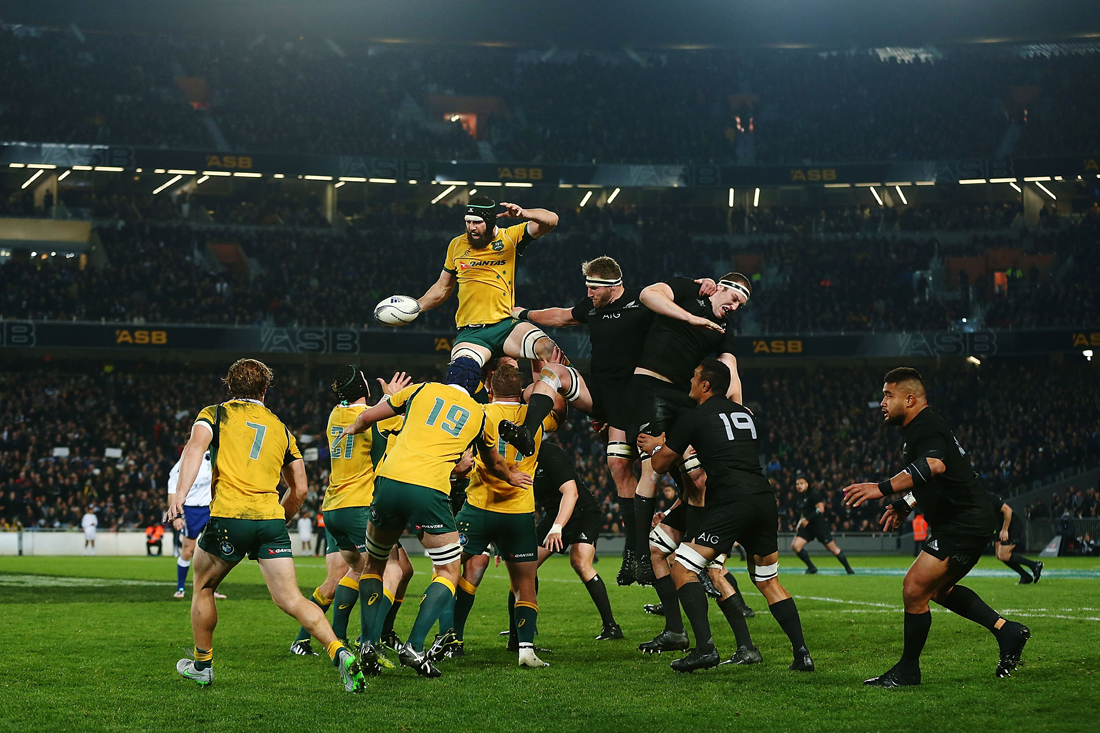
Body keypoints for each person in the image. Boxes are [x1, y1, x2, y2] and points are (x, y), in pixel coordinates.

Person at [166, 358, 364, 692]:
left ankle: (202, 665)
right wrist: (278, 520)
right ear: (265, 390)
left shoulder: (214, 414)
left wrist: (180, 495)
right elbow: (300, 489)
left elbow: (194, 448)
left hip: (230, 516)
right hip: (270, 520)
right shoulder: (281, 428)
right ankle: (339, 651)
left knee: (204, 587)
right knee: (292, 599)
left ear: (230, 387)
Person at [516, 255, 716, 585]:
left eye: (593, 288)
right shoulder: (591, 307)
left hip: (638, 396)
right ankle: (528, 430)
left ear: (612, 286)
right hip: (602, 392)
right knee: (554, 372)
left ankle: (642, 553)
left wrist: (704, 284)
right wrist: (523, 314)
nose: (589, 293)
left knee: (627, 468)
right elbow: (561, 316)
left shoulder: (644, 300)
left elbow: (683, 291)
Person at [335, 357, 531, 678]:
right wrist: (511, 476)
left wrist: (354, 426)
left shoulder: (420, 390)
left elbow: (369, 416)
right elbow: (494, 463)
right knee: (448, 570)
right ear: (476, 385)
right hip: (428, 490)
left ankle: (368, 643)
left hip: (388, 481)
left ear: (447, 376)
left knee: (375, 564)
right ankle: (414, 646)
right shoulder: (479, 414)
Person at [844, 367, 1031, 687]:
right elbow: (941, 478)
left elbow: (934, 465)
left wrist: (882, 488)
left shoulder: (925, 426)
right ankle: (1007, 630)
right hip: (963, 520)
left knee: (914, 588)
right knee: (937, 590)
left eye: (888, 395)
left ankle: (908, 671)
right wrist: (907, 503)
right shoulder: (922, 427)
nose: (882, 402)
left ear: (910, 399)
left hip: (964, 523)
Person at [638, 359, 814, 673]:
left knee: (683, 568)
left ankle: (704, 649)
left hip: (730, 502)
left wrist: (656, 446)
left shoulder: (694, 416)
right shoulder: (746, 414)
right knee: (768, 581)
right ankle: (802, 654)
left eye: (694, 378)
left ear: (705, 385)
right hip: (763, 498)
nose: (691, 382)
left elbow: (661, 464)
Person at [289, 367, 415, 660]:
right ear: (363, 388)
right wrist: (393, 401)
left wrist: (385, 401)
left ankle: (333, 637)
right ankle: (371, 639)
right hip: (361, 505)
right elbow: (399, 432)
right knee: (392, 570)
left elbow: (366, 415)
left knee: (356, 571)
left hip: (334, 507)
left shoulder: (335, 415)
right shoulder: (378, 419)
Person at [451, 362, 563, 668]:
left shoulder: (479, 413)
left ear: (490, 389)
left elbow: (460, 453)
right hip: (518, 511)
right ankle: (526, 649)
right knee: (524, 582)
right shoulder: (535, 418)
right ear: (521, 391)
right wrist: (545, 373)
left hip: (479, 507)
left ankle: (450, 639)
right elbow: (559, 410)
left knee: (449, 571)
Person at [417, 196, 561, 369]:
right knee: (461, 372)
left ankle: (569, 386)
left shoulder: (510, 237)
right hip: (472, 332)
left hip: (505, 326)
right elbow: (442, 287)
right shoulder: (456, 245)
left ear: (490, 221)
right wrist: (416, 307)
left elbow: (552, 220)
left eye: (477, 222)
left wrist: (525, 213)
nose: (471, 227)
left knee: (549, 349)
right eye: (468, 222)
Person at [532, 440, 623, 641]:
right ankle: (523, 626)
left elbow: (571, 493)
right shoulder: (517, 460)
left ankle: (611, 627)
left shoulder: (550, 453)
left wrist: (557, 527)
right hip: (554, 514)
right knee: (526, 566)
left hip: (582, 512)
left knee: (580, 563)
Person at [167, 450, 226, 600]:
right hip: (190, 510)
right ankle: (181, 588)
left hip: (209, 508)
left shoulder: (211, 458)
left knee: (215, 550)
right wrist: (176, 517)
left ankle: (212, 588)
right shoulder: (179, 467)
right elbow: (172, 493)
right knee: (188, 550)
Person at [791, 473, 855, 575]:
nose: (799, 486)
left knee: (832, 549)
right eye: (797, 484)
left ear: (807, 484)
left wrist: (807, 519)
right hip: (808, 527)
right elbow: (804, 512)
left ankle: (849, 569)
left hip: (819, 526)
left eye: (801, 483)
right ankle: (811, 567)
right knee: (795, 546)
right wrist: (800, 522)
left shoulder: (814, 495)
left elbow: (821, 509)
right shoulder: (799, 497)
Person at [989, 492, 1043, 584]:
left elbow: (1008, 511)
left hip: (1011, 525)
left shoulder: (988, 498)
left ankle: (1034, 565)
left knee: (1004, 555)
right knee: (999, 555)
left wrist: (1005, 530)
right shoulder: (976, 501)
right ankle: (1025, 576)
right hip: (1000, 525)